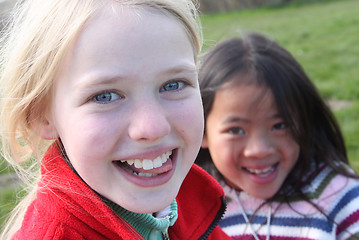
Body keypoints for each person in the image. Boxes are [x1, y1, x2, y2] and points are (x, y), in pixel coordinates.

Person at [0, 0, 231, 239]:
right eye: (105, 96)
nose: (153, 128)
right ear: (41, 116)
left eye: (173, 85)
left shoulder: (190, 201)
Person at [196, 32, 359, 239]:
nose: (259, 149)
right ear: (201, 131)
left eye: (280, 125)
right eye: (236, 130)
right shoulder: (185, 204)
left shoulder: (341, 198)